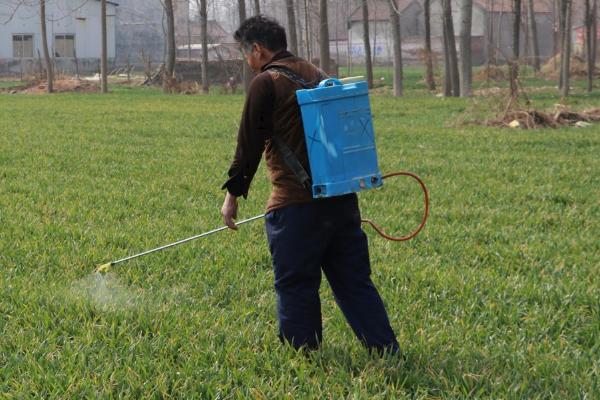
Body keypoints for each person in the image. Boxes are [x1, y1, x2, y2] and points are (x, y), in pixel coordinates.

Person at [221, 15, 398, 355]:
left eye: (245, 53)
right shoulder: (316, 73)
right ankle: (386, 349)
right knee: (355, 283)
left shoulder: (266, 81)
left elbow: (248, 146)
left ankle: (304, 357)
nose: (247, 61)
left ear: (256, 49)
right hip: (341, 200)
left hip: (294, 207)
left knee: (296, 285)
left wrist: (232, 197)